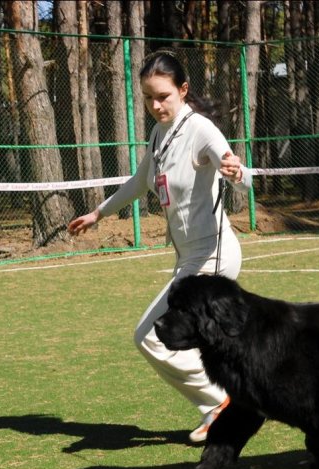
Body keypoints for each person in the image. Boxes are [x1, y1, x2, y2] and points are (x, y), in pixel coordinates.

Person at [67, 51, 252, 443]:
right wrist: (98, 214)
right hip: (188, 258)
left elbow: (237, 169)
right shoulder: (158, 134)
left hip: (213, 255)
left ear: (183, 90)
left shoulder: (200, 128)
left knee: (152, 336)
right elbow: (139, 182)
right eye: (149, 98)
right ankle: (223, 405)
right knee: (193, 339)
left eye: (163, 96)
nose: (155, 105)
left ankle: (221, 403)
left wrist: (237, 173)